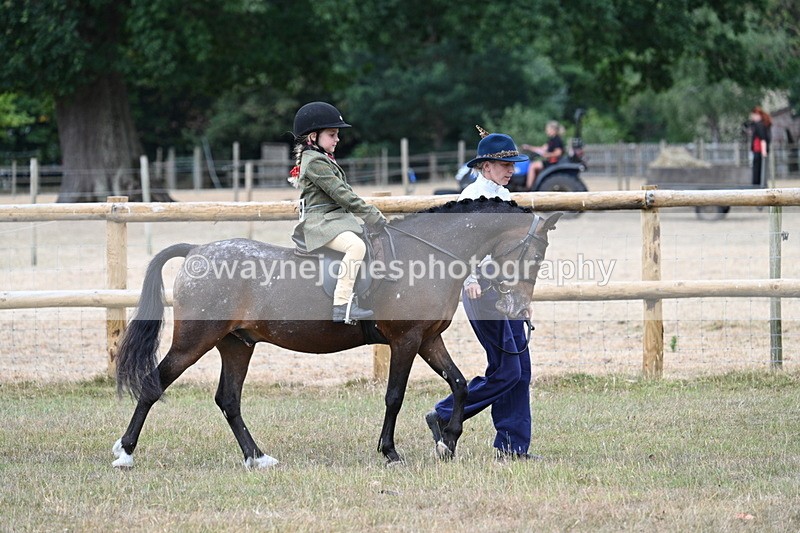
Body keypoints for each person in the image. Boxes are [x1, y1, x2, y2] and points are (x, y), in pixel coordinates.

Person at [425, 127, 540, 460]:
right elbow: (459, 245)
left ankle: (511, 446)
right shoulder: (472, 198)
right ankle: (446, 413)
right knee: (508, 371)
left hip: (504, 290)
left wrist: (520, 297)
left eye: (513, 164)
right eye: (505, 165)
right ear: (486, 166)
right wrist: (469, 278)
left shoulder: (504, 198)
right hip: (483, 293)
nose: (512, 170)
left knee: (520, 371)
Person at [290, 101, 387, 324]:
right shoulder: (315, 162)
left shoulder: (322, 158)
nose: (337, 139)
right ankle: (342, 305)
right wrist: (372, 215)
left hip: (334, 220)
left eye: (337, 134)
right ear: (313, 137)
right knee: (356, 246)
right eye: (332, 134)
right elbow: (342, 194)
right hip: (320, 223)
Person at [522, 120, 565, 189]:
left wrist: (547, 155)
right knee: (535, 164)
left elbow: (558, 152)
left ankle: (528, 188)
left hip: (553, 162)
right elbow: (542, 149)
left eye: (548, 129)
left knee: (532, 166)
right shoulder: (551, 140)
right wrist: (529, 147)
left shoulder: (557, 139)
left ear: (553, 130)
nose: (546, 131)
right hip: (550, 161)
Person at [749, 106, 772, 187]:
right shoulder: (761, 124)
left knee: (758, 173)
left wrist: (764, 152)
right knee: (760, 171)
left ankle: (757, 187)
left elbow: (763, 139)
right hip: (758, 152)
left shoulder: (759, 125)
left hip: (759, 152)